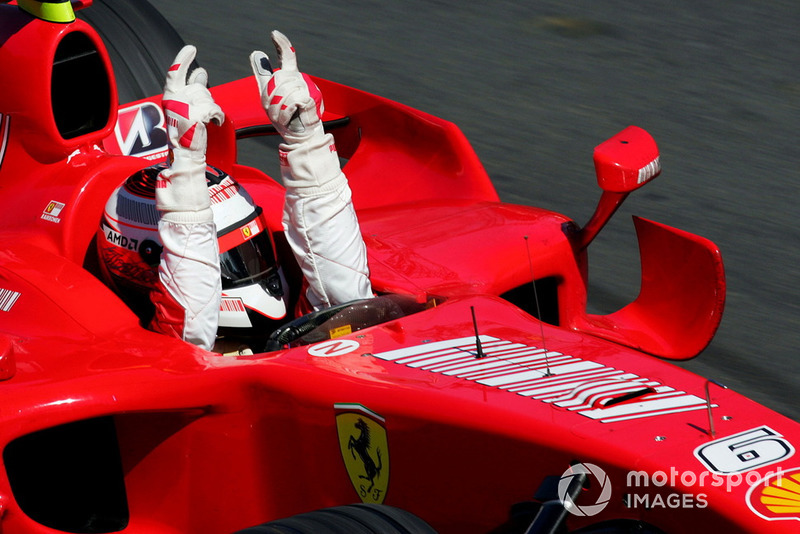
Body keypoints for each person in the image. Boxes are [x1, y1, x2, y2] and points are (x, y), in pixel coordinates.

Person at [97, 33, 372, 351]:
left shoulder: (301, 333)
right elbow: (191, 331)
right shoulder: (167, 360)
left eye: (253, 254)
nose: (259, 271)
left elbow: (346, 302)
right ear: (154, 263)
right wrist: (185, 173)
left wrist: (306, 141)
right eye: (232, 261)